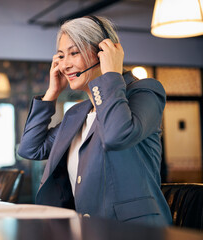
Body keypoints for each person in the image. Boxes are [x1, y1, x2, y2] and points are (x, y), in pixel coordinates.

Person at [17, 16, 172, 226]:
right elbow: (30, 149)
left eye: (74, 53)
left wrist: (111, 74)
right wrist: (52, 93)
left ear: (103, 51)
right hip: (85, 229)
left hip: (135, 231)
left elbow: (117, 135)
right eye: (61, 56)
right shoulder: (77, 113)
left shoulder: (145, 91)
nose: (65, 65)